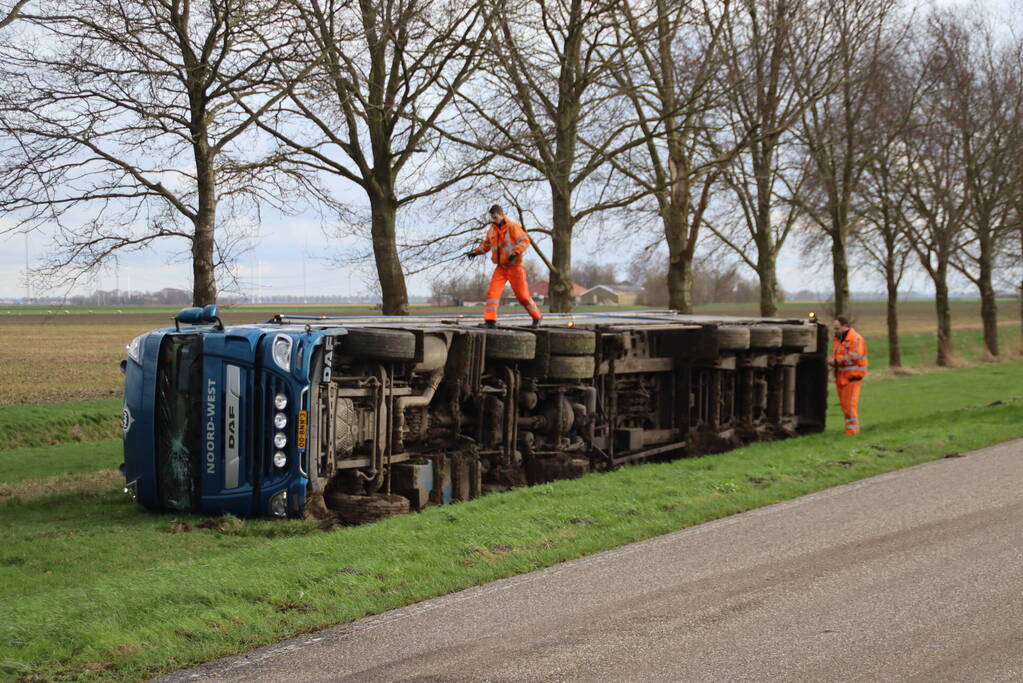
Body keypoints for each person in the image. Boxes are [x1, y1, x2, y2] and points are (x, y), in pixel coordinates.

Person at [465, 204, 543, 328]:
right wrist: (475, 252)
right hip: (501, 268)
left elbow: (525, 241)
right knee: (492, 293)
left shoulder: (513, 227)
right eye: (492, 217)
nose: (493, 219)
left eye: (495, 217)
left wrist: (516, 252)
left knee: (522, 297)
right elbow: (486, 245)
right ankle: (490, 321)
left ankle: (537, 316)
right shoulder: (491, 230)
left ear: (501, 214)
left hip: (515, 267)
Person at [829, 315, 868, 435]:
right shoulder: (839, 340)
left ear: (845, 326)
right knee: (845, 405)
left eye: (837, 328)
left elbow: (854, 356)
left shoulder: (855, 339)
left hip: (852, 377)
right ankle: (850, 428)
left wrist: (834, 361)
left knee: (850, 405)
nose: (835, 331)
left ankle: (853, 430)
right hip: (842, 377)